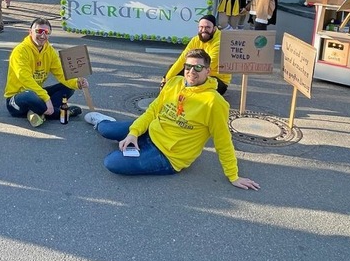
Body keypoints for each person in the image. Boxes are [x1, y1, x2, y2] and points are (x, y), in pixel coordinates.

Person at [84, 49, 259, 190]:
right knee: (106, 129)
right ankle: (108, 124)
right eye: (188, 67)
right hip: (152, 131)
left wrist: (233, 175)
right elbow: (153, 110)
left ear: (208, 71)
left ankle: (135, 147)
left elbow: (223, 141)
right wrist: (134, 133)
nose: (191, 72)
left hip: (168, 155)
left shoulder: (214, 102)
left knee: (112, 162)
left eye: (198, 68)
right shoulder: (175, 82)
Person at [4, 18, 87, 127]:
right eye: (39, 31)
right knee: (30, 96)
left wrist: (77, 83)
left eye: (46, 32)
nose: (42, 36)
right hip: (17, 99)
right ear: (30, 32)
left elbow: (61, 73)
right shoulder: (20, 51)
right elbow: (25, 79)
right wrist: (46, 98)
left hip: (38, 95)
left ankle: (37, 111)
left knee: (69, 87)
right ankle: (63, 113)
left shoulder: (50, 51)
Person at [163, 15, 231, 96]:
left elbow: (207, 67)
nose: (203, 30)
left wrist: (189, 79)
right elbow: (182, 59)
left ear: (215, 28)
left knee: (196, 83)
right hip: (199, 70)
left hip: (217, 79)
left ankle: (187, 92)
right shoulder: (196, 39)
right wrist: (166, 80)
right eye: (201, 27)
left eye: (207, 27)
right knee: (173, 68)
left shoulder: (221, 42)